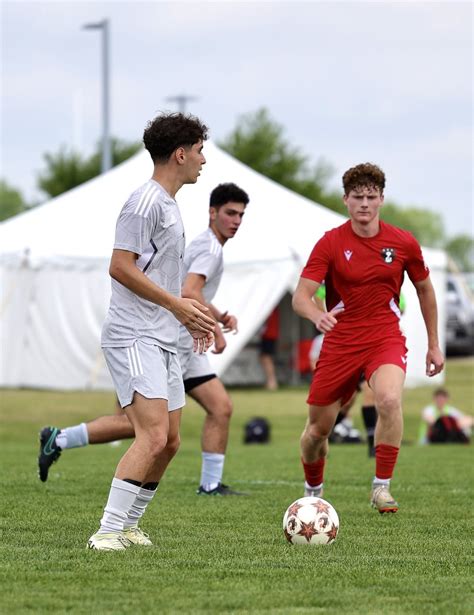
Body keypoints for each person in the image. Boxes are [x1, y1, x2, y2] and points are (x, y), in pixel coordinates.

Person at [38, 183, 250, 500]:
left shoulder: (201, 242)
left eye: (241, 215)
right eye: (230, 213)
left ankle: (61, 439)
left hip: (172, 336)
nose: (236, 221)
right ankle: (204, 487)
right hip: (174, 342)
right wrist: (214, 328)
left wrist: (217, 316)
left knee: (158, 426)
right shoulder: (208, 246)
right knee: (162, 427)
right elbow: (189, 291)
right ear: (212, 213)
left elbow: (186, 289)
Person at [65, 112, 214, 551]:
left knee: (169, 442)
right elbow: (119, 266)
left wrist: (190, 319)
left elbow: (164, 280)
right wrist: (175, 306)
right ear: (181, 153)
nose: (204, 160)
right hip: (134, 335)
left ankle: (128, 525)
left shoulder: (168, 204)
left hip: (163, 337)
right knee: (150, 435)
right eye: (200, 151)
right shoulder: (144, 202)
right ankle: (106, 532)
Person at [292, 162, 444, 514]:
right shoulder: (330, 243)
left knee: (389, 400)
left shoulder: (403, 242)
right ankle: (313, 492)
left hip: (384, 337)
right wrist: (318, 315)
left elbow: (424, 290)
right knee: (317, 432)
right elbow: (301, 296)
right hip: (341, 342)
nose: (364, 203)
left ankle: (381, 487)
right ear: (345, 200)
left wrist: (434, 344)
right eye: (357, 197)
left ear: (381, 200)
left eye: (371, 197)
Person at [259, 307, 279, 390]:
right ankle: (271, 381)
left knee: (267, 358)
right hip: (270, 335)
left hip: (269, 335)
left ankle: (272, 382)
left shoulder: (270, 309)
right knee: (265, 358)